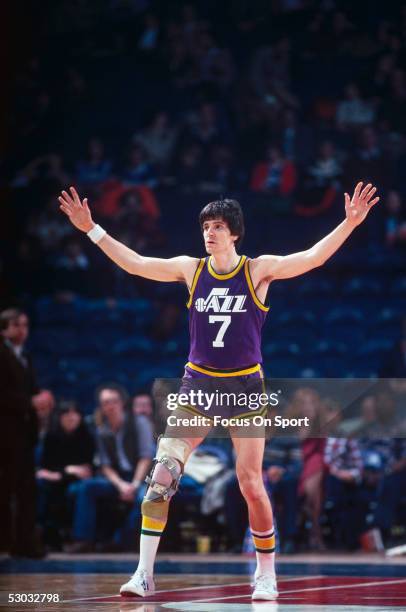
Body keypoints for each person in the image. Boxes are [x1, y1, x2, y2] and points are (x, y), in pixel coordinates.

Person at [59, 181, 379, 600]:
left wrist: (349, 223)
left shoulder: (258, 269)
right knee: (161, 476)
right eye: (205, 226)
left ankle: (266, 573)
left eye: (217, 226)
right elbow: (136, 263)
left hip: (245, 390)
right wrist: (91, 229)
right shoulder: (191, 269)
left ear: (234, 233)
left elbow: (313, 258)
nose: (208, 232)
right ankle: (143, 574)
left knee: (250, 483)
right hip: (198, 387)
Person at [67, 384, 153, 552]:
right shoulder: (102, 430)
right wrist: (120, 485)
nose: (110, 406)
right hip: (119, 478)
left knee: (144, 497)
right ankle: (84, 540)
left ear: (122, 403)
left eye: (113, 401)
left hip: (143, 477)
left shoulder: (139, 423)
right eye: (105, 402)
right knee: (87, 487)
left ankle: (119, 541)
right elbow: (105, 465)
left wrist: (134, 485)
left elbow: (146, 457)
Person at [0, 308, 55, 557]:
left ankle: (24, 543)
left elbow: (29, 391)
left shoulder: (26, 356)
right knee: (6, 490)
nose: (22, 330)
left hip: (24, 434)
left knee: (26, 490)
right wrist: (30, 402)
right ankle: (6, 542)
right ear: (4, 329)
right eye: (16, 325)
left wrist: (41, 400)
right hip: (5, 435)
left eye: (25, 325)